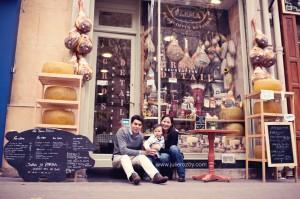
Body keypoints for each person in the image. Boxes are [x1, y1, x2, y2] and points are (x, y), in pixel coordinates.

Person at [112, 115, 168, 185]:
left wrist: (151, 149)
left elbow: (141, 150)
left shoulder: (141, 136)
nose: (137, 126)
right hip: (119, 157)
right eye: (135, 124)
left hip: (132, 158)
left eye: (139, 125)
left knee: (142, 157)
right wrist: (142, 152)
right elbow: (123, 151)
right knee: (125, 157)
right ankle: (133, 177)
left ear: (141, 126)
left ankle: (155, 176)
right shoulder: (122, 131)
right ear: (131, 124)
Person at [159, 115, 186, 182]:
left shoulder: (174, 133)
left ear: (171, 124)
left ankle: (181, 175)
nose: (165, 124)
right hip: (164, 155)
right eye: (164, 121)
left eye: (168, 122)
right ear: (161, 122)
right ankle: (168, 174)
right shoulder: (158, 131)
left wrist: (160, 148)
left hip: (174, 155)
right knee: (163, 156)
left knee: (173, 148)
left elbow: (171, 148)